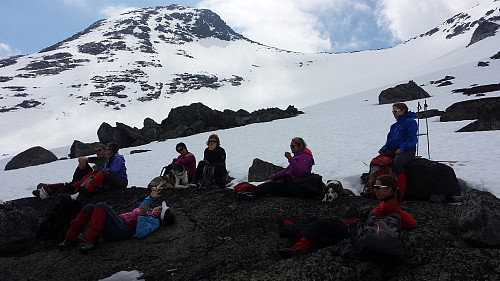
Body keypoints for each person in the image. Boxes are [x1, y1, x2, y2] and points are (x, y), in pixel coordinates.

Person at [279, 175, 418, 257]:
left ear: (389, 190)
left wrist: (385, 222)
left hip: (354, 232)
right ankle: (296, 238)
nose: (374, 190)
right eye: (374, 187)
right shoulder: (387, 202)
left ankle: (297, 243)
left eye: (377, 188)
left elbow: (411, 223)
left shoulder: (390, 206)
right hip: (354, 226)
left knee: (321, 224)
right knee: (320, 223)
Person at [58, 187, 175, 253]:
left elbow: (140, 233)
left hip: (122, 230)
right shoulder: (149, 213)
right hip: (117, 223)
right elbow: (141, 208)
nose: (158, 206)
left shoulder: (155, 222)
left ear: (160, 212)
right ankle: (70, 238)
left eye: (160, 207)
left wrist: (142, 216)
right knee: (89, 208)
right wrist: (150, 197)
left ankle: (92, 241)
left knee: (102, 206)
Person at [239, 137, 322, 200]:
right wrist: (273, 177)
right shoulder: (298, 156)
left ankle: (252, 195)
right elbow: (287, 170)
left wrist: (290, 159)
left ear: (299, 146)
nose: (291, 148)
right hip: (293, 182)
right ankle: (251, 192)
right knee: (273, 184)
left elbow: (301, 172)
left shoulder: (304, 157)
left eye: (293, 146)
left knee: (272, 186)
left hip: (297, 185)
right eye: (290, 146)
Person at [378, 102, 418, 197]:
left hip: (408, 148)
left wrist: (402, 148)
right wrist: (383, 148)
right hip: (394, 148)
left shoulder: (410, 122)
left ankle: (400, 192)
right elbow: (390, 140)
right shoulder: (394, 126)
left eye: (396, 111)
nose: (394, 113)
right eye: (393, 111)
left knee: (398, 163)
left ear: (403, 110)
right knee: (379, 160)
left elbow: (412, 138)